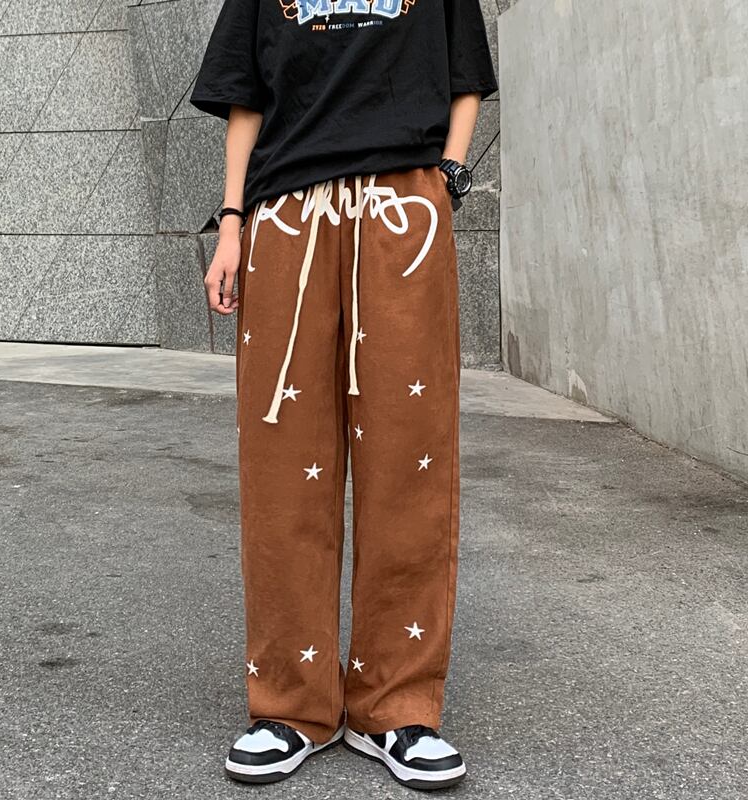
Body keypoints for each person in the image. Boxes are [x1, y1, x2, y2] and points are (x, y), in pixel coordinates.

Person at [189, 0, 497, 790]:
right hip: (287, 216)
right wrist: (232, 225)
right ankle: (290, 705)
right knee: (281, 466)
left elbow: (466, 78)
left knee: (410, 459)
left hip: (402, 209)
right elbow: (245, 98)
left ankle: (398, 707)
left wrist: (446, 179)